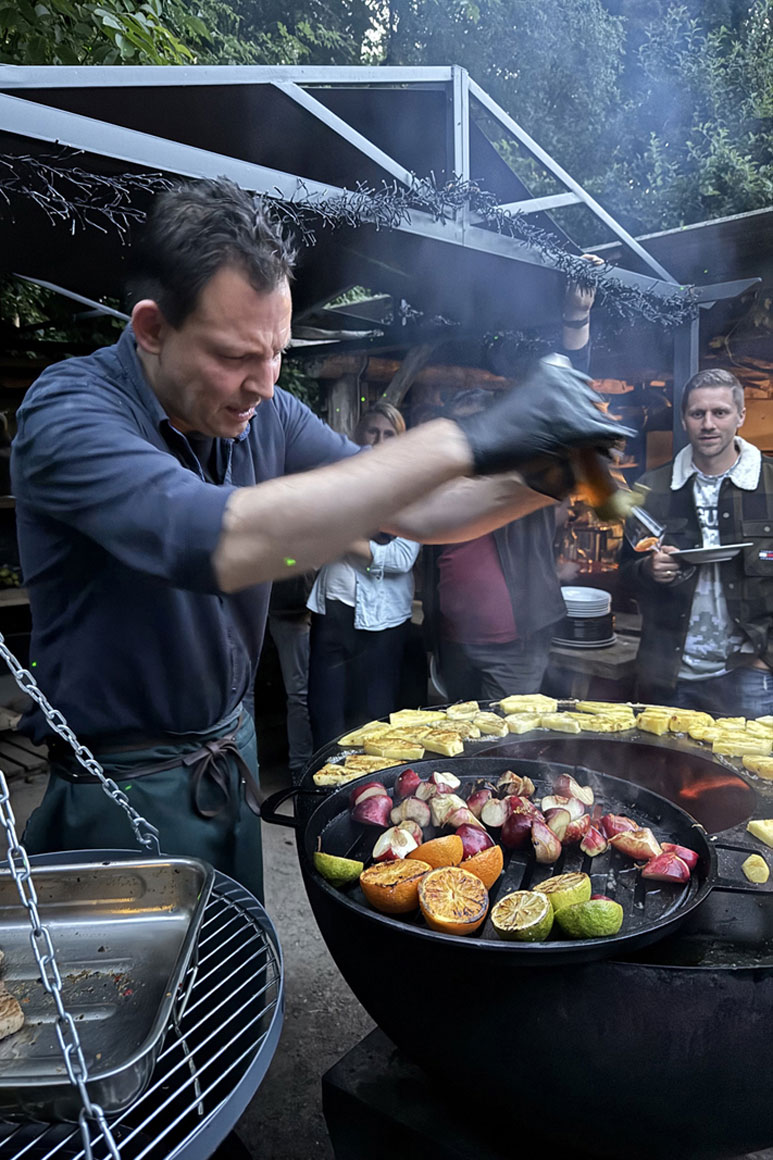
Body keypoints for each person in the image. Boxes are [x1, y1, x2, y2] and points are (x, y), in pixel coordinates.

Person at [10, 178, 624, 900]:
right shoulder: (70, 412)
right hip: (120, 781)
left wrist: (543, 480)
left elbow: (419, 510)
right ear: (151, 328)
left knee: (237, 978)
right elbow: (220, 545)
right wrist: (473, 435)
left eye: (278, 353)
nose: (264, 384)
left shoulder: (265, 414)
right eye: (236, 356)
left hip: (227, 752)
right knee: (138, 1003)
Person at [423, 267, 600, 701]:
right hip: (454, 641)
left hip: (515, 644)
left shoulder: (525, 471)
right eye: (459, 428)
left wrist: (575, 319)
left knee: (510, 743)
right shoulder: (440, 483)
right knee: (458, 751)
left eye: (474, 428)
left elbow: (568, 405)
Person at [620, 368, 773, 717]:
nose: (708, 424)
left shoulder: (769, 484)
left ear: (740, 416)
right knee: (667, 772)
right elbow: (624, 574)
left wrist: (767, 659)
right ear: (684, 419)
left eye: (719, 412)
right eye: (697, 413)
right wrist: (648, 570)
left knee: (747, 771)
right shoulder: (651, 488)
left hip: (748, 672)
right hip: (670, 675)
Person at [307, 402, 419, 748]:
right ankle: (322, 795)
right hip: (333, 609)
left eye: (389, 434)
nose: (379, 440)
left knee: (371, 721)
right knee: (325, 717)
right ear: (358, 435)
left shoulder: (412, 490)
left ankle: (365, 798)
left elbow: (401, 557)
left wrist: (343, 537)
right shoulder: (339, 480)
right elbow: (311, 536)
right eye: (372, 431)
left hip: (382, 622)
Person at [266, 572, 314, 781]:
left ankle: (300, 767)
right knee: (298, 693)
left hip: (286, 606)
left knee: (298, 693)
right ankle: (300, 767)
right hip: (286, 607)